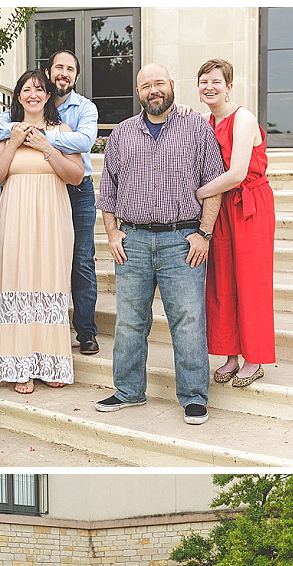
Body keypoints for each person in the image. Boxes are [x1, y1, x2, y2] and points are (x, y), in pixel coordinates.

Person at [95, 63, 226, 426]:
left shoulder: (196, 128)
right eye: (145, 86)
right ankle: (128, 391)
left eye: (159, 84)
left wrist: (204, 233)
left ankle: (194, 397)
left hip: (181, 241)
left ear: (171, 85)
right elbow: (107, 192)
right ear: (138, 94)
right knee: (129, 322)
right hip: (133, 240)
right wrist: (112, 233)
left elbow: (214, 184)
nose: (153, 90)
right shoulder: (121, 134)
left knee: (187, 321)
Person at [0, 50, 101, 355]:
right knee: (20, 276)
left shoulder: (79, 113)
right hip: (19, 210)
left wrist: (45, 144)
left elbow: (82, 150)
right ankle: (19, 357)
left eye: (70, 68)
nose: (33, 94)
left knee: (76, 264)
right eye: (27, 89)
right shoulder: (8, 125)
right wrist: (15, 138)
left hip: (63, 200)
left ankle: (81, 334)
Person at [195, 58, 275, 388]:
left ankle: (254, 358)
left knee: (250, 280)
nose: (209, 87)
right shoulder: (204, 121)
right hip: (221, 207)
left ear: (229, 86)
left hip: (249, 204)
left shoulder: (243, 118)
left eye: (216, 81)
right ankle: (230, 354)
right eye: (204, 82)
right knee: (221, 280)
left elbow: (237, 173)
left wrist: (198, 192)